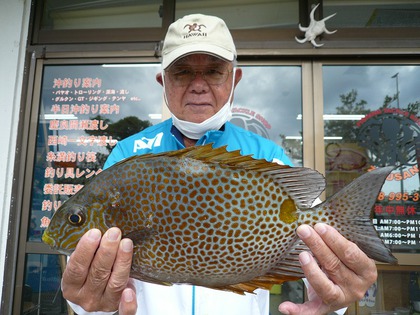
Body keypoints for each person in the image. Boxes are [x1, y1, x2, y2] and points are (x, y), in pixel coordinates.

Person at [61, 13, 378, 315]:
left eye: (213, 71)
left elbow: (321, 257)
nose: (198, 84)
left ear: (234, 78)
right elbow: (93, 277)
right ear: (163, 80)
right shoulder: (126, 158)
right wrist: (89, 305)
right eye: (182, 71)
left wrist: (335, 297)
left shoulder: (268, 157)